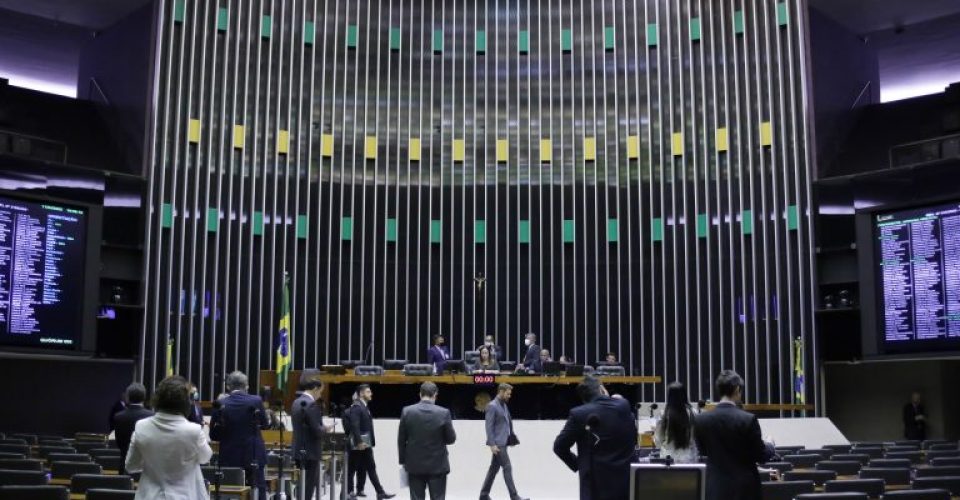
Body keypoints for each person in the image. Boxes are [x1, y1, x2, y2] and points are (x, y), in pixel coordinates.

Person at [125, 375, 213, 500]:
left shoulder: (141, 426)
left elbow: (131, 466)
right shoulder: (194, 431)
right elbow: (205, 458)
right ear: (186, 402)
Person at [553, 375, 637, 500]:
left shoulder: (579, 414)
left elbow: (559, 447)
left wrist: (578, 464)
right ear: (602, 389)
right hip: (624, 480)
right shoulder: (623, 406)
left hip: (594, 483)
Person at [694, 370, 768, 500]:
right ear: (737, 389)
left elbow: (702, 450)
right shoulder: (748, 419)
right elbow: (761, 455)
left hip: (715, 488)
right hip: (744, 490)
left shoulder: (700, 420)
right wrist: (771, 447)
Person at [209, 371, 270, 499]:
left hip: (229, 455)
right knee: (258, 488)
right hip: (253, 453)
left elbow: (214, 435)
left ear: (228, 387)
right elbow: (265, 425)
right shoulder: (256, 400)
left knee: (231, 491)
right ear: (247, 386)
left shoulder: (220, 403)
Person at [398, 381, 457, 500]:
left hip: (414, 465)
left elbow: (401, 440)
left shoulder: (407, 411)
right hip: (438, 465)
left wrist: (403, 461)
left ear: (420, 394)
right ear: (435, 394)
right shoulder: (444, 412)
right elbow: (451, 439)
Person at [344, 384, 395, 499]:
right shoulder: (357, 407)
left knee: (371, 467)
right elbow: (354, 425)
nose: (371, 394)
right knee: (352, 469)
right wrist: (359, 442)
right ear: (361, 393)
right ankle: (349, 492)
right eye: (368, 392)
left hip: (365, 444)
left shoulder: (364, 406)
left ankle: (380, 492)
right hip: (359, 444)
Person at [479, 383, 528, 500]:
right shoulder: (492, 406)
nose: (509, 396)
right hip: (498, 444)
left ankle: (483, 495)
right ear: (501, 391)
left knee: (493, 469)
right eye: (508, 393)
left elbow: (506, 422)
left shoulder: (503, 405)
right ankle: (514, 496)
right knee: (507, 467)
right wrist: (492, 444)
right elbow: (488, 426)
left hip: (503, 442)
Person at [291, 370, 333, 500]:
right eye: (320, 392)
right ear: (315, 388)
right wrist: (325, 429)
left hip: (298, 449)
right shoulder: (311, 405)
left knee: (300, 486)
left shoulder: (296, 402)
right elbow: (317, 431)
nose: (320, 395)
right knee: (308, 488)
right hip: (311, 452)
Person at [113, 382, 155, 474]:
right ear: (144, 397)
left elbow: (118, 442)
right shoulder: (151, 416)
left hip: (124, 462)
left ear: (127, 397)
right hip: (146, 466)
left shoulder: (118, 417)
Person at [654, 382, 698, 463]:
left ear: (669, 396)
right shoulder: (693, 412)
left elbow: (658, 440)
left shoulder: (664, 413)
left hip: (668, 459)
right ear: (684, 395)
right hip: (689, 459)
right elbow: (696, 438)